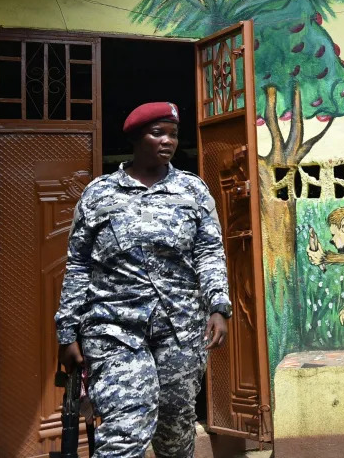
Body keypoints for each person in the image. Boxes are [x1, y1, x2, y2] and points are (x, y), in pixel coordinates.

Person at [55, 101, 233, 457]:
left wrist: (218, 306)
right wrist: (67, 331)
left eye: (173, 134)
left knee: (175, 429)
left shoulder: (193, 191)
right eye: (157, 133)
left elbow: (209, 252)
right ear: (137, 139)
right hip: (113, 328)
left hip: (180, 327)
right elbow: (77, 264)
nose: (167, 141)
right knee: (123, 431)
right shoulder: (99, 194)